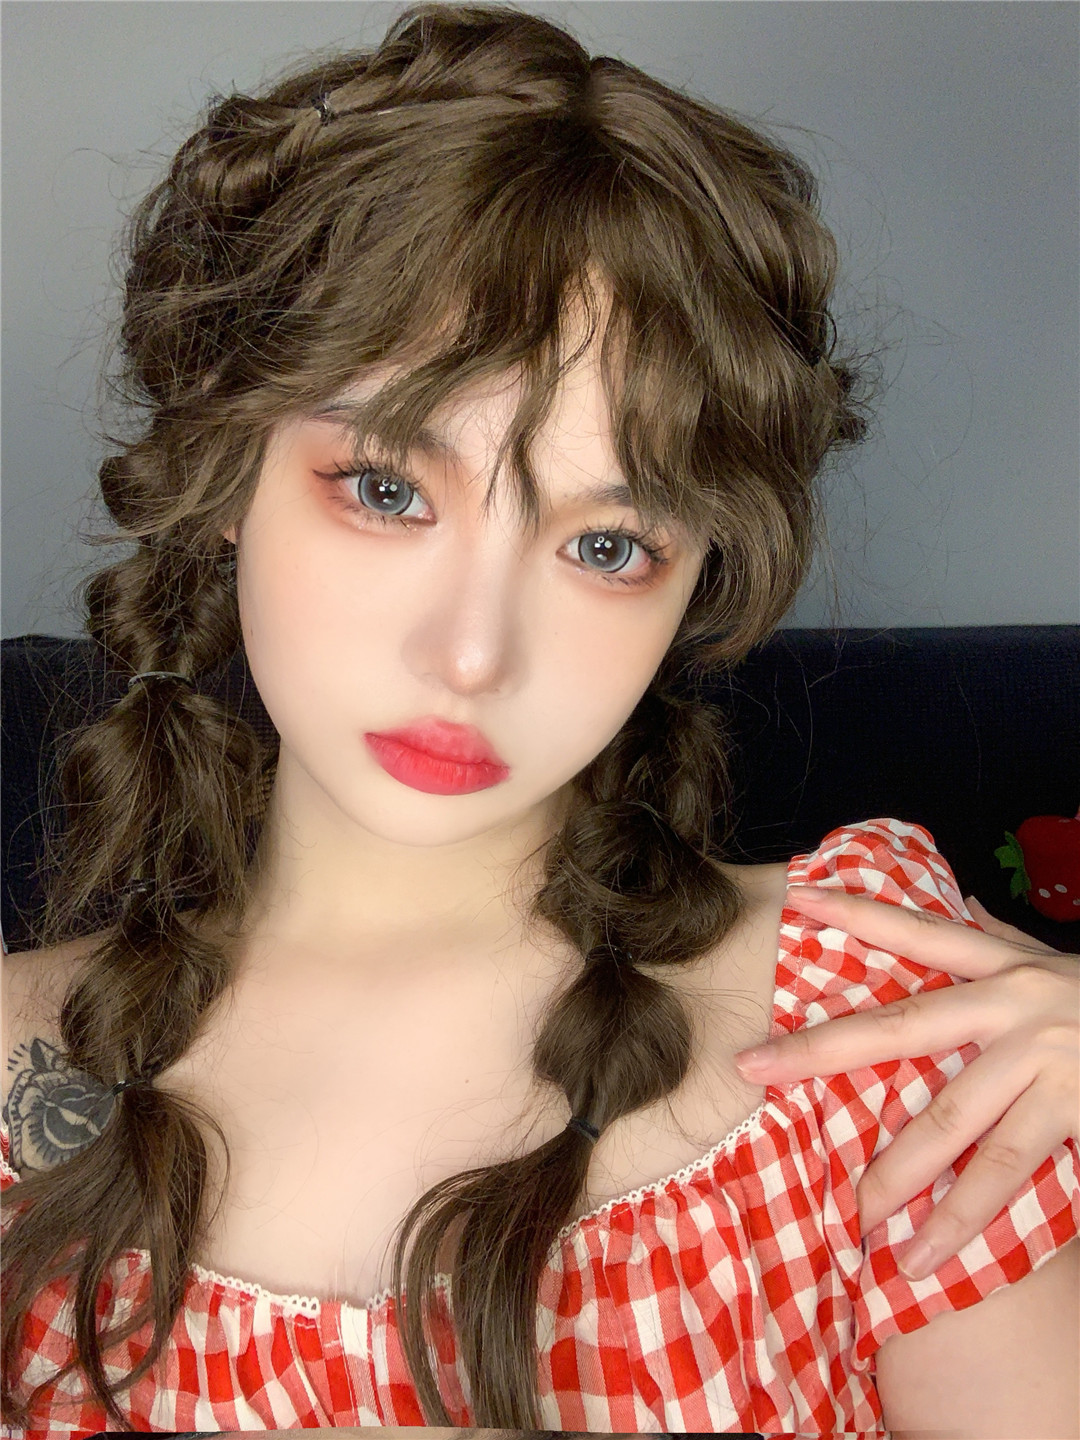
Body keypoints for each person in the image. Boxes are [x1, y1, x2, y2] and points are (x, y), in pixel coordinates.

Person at [1, 5, 1076, 1436]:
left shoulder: (869, 1009)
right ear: (224, 469)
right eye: (389, 490)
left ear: (694, 582)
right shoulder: (14, 1077)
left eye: (606, 545)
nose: (472, 653)